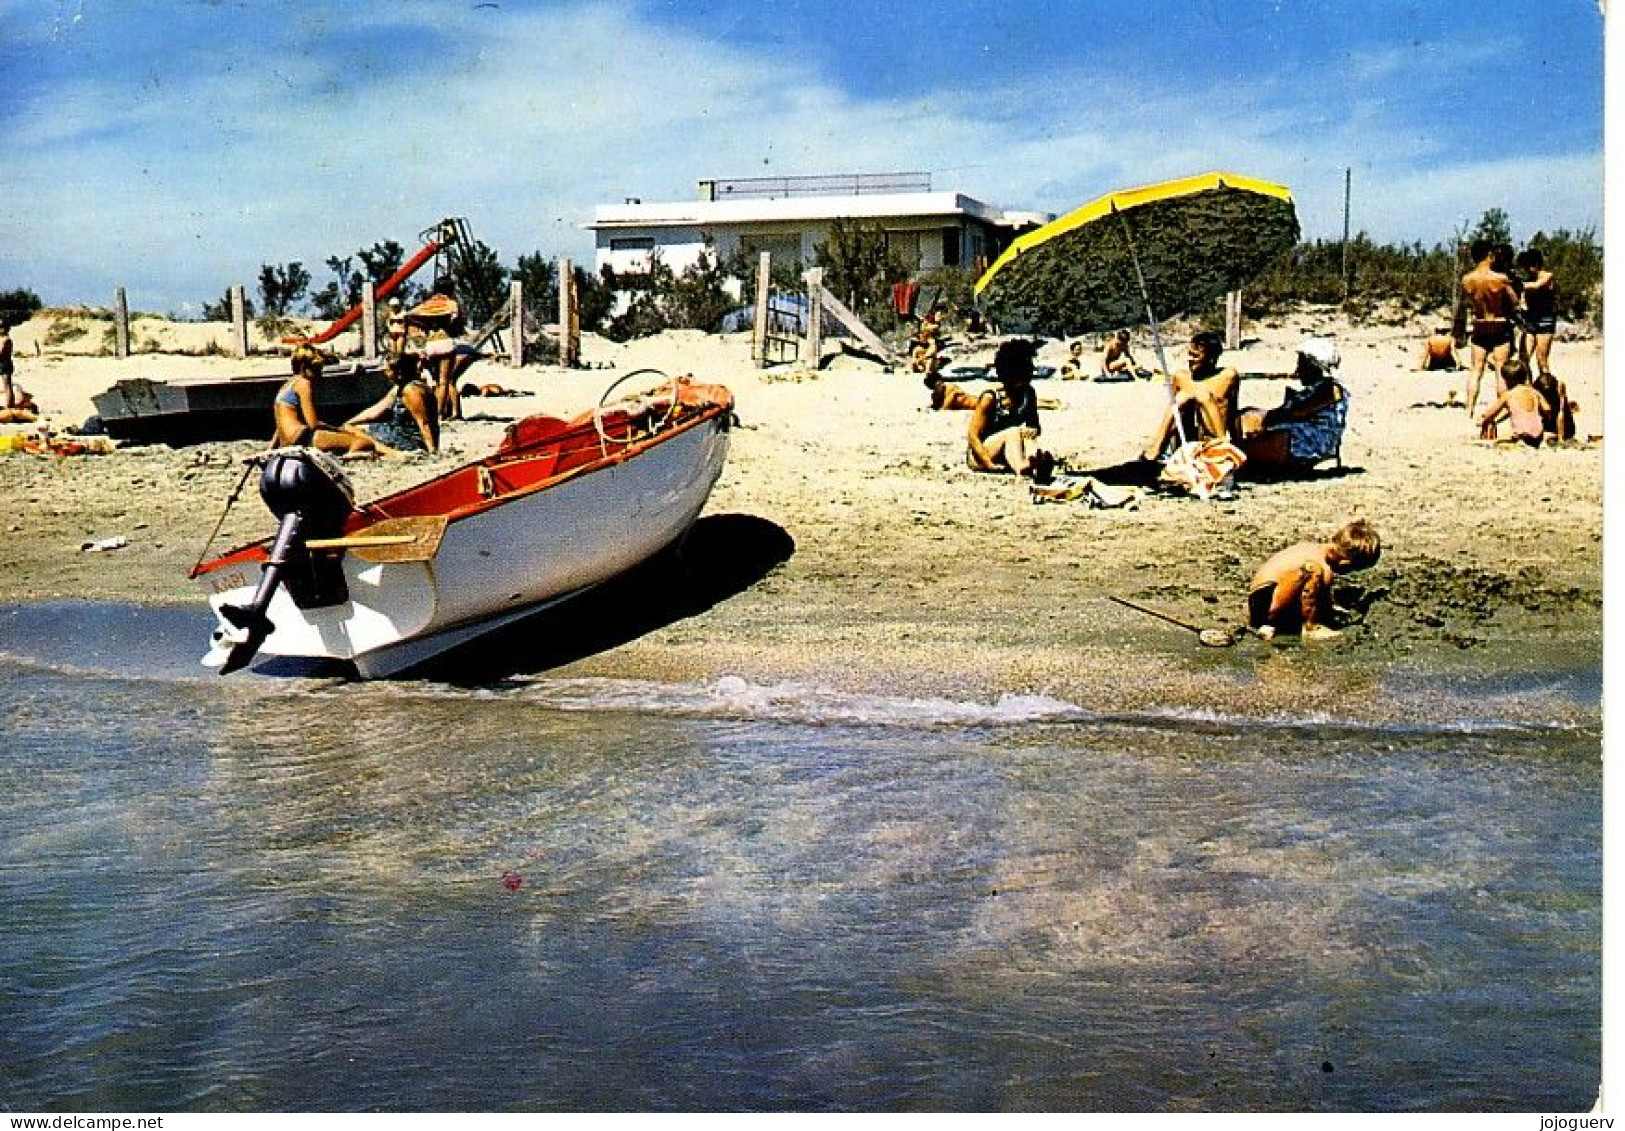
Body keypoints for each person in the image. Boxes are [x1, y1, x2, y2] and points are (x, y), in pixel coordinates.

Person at [1247, 519, 1381, 641]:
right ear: (1345, 563)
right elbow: (1316, 595)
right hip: (1265, 605)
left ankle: (1279, 624)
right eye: (1352, 569)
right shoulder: (1322, 567)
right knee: (1312, 570)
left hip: (1260, 599)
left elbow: (1318, 596)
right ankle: (1311, 627)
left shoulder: (1311, 547)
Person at [1236, 337, 1349, 474]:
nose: (1297, 370)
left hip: (1310, 443)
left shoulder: (1329, 390)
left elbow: (1297, 412)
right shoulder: (1322, 388)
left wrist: (1266, 417)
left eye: (1302, 364)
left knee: (1241, 451)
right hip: (1301, 436)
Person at [1140, 330, 1239, 461]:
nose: (1190, 360)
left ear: (1211, 358)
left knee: (1203, 396)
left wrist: (1237, 444)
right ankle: (1156, 450)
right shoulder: (1181, 377)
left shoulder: (1227, 377)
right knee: (1182, 398)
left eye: (1196, 356)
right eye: (1189, 355)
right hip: (1186, 442)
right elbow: (1175, 416)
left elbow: (1232, 413)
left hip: (1214, 442)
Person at [271, 343, 382, 457]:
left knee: (344, 439)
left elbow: (279, 425)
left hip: (287, 442)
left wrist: (271, 450)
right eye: (317, 369)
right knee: (364, 443)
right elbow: (313, 424)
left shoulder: (286, 385)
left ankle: (344, 452)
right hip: (301, 438)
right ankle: (350, 455)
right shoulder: (304, 384)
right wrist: (337, 430)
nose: (320, 375)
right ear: (306, 368)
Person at [966, 339, 1054, 481]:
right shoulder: (991, 397)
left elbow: (1035, 426)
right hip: (982, 454)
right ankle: (1021, 466)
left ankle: (1036, 463)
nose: (1032, 370)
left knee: (1025, 436)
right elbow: (972, 436)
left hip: (1008, 451)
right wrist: (988, 463)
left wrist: (1032, 431)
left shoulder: (1028, 394)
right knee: (1013, 432)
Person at [1460, 238, 1522, 417]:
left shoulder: (1467, 279)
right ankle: (1502, 407)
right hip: (1499, 324)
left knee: (1476, 369)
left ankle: (1469, 408)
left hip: (1480, 324)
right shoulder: (1500, 279)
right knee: (1500, 368)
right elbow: (1515, 302)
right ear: (1489, 255)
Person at [345, 352, 439, 453]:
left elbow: (423, 423)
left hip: (411, 440)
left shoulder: (411, 391)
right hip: (401, 432)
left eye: (387, 370)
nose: (385, 373)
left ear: (398, 372)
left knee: (355, 432)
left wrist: (432, 449)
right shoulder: (399, 387)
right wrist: (349, 422)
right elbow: (375, 411)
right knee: (351, 427)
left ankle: (388, 451)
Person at [1477, 358, 1549, 447]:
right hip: (1538, 434)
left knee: (1494, 439)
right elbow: (1547, 408)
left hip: (1521, 435)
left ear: (1507, 380)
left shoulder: (1508, 395)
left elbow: (1491, 413)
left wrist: (1483, 420)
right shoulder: (1534, 392)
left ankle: (1487, 440)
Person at [1516, 248, 1557, 378]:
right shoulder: (1528, 279)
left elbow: (1537, 286)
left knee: (1541, 359)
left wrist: (1517, 284)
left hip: (1545, 320)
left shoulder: (1547, 276)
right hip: (1530, 320)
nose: (1528, 269)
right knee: (1523, 358)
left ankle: (1547, 390)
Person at [1531, 369, 1577, 442]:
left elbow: (1560, 413)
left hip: (1562, 429)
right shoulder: (1557, 395)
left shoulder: (1559, 389)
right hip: (1558, 427)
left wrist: (1560, 438)